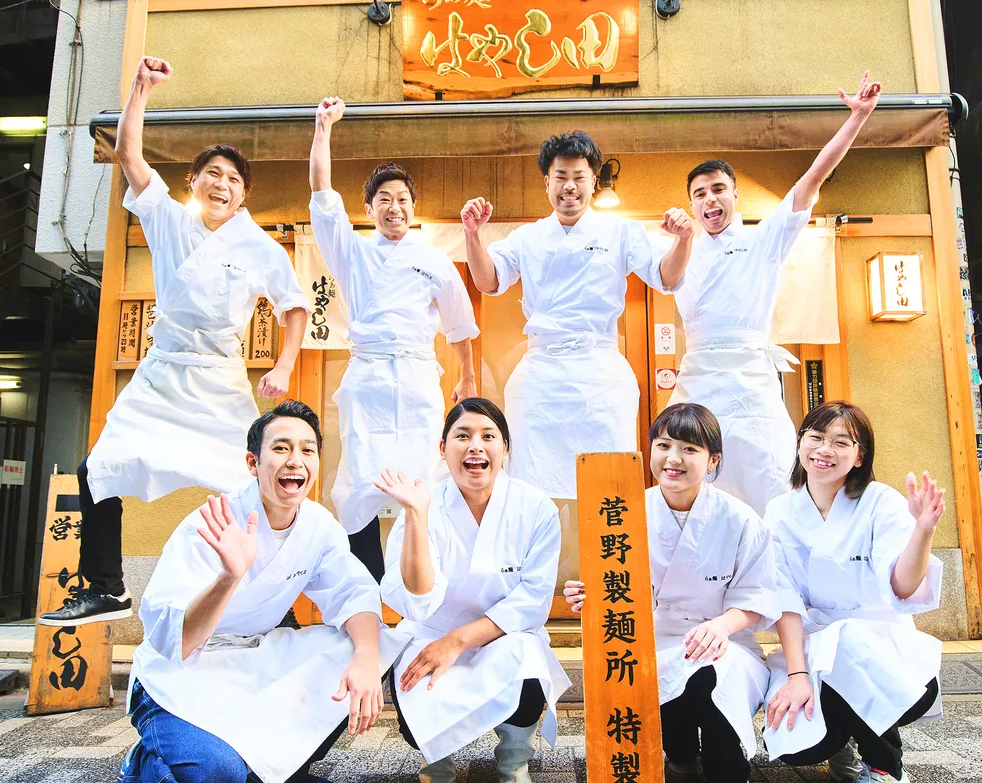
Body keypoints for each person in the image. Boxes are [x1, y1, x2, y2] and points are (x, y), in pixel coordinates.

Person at [42, 56, 309, 626]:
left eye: (233, 179)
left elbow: (295, 307)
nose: (222, 184)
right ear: (193, 181)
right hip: (162, 372)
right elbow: (128, 154)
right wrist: (141, 88)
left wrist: (285, 365)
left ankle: (274, 604)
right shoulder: (167, 219)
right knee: (97, 469)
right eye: (212, 173)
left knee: (260, 483)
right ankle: (107, 587)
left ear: (243, 195)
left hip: (219, 378)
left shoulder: (259, 246)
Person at [105, 400, 407, 783]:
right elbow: (174, 639)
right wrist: (229, 576)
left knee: (367, 647)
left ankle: (276, 778)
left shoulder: (318, 525)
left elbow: (353, 593)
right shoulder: (211, 523)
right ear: (252, 462)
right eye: (281, 448)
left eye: (307, 450)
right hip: (184, 672)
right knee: (211, 782)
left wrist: (365, 659)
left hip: (254, 657)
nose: (295, 460)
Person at [563, 403, 802, 783]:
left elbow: (757, 597)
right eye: (663, 445)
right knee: (650, 669)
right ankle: (681, 755)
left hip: (724, 638)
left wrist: (721, 626)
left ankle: (729, 776)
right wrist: (590, 598)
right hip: (649, 636)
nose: (673, 458)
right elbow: (612, 585)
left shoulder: (739, 519)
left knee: (712, 674)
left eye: (689, 449)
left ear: (713, 460)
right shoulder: (623, 513)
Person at [671, 73, 883, 515]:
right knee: (689, 483)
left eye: (718, 190)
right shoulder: (680, 250)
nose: (709, 200)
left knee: (772, 479)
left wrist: (857, 118)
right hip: (697, 377)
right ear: (691, 204)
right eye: (699, 194)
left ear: (735, 195)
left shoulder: (763, 239)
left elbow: (813, 177)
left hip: (751, 378)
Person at [462, 131, 695, 501]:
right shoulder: (527, 237)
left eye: (578, 176)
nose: (569, 186)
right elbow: (488, 281)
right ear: (547, 182)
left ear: (593, 180)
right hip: (540, 374)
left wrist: (683, 240)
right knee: (532, 483)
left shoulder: (620, 231)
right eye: (560, 176)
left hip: (599, 372)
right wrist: (473, 235)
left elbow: (666, 277)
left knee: (609, 479)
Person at [373, 397, 569, 783]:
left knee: (527, 657)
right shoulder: (423, 503)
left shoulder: (535, 507)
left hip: (501, 635)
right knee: (413, 691)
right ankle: (436, 754)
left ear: (505, 449)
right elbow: (417, 597)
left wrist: (459, 641)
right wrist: (416, 516)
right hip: (431, 634)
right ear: (443, 449)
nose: (475, 446)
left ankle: (514, 766)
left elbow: (532, 600)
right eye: (462, 436)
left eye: (488, 436)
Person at [309, 97, 479, 579]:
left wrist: (467, 377)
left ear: (413, 208)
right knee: (361, 478)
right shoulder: (352, 253)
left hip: (419, 377)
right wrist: (323, 127)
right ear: (369, 208)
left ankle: (423, 583)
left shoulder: (434, 260)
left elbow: (459, 324)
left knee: (427, 478)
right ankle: (364, 586)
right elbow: (321, 191)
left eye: (402, 199)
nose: (394, 207)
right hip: (369, 378)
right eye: (383, 199)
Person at [760, 400, 945, 783]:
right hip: (814, 648)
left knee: (847, 639)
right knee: (793, 744)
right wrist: (797, 675)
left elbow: (903, 586)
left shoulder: (881, 502)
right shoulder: (780, 511)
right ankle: (841, 739)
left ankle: (889, 774)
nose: (825, 450)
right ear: (800, 444)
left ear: (859, 456)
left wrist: (924, 529)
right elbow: (785, 600)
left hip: (883, 654)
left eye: (841, 442)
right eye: (816, 437)